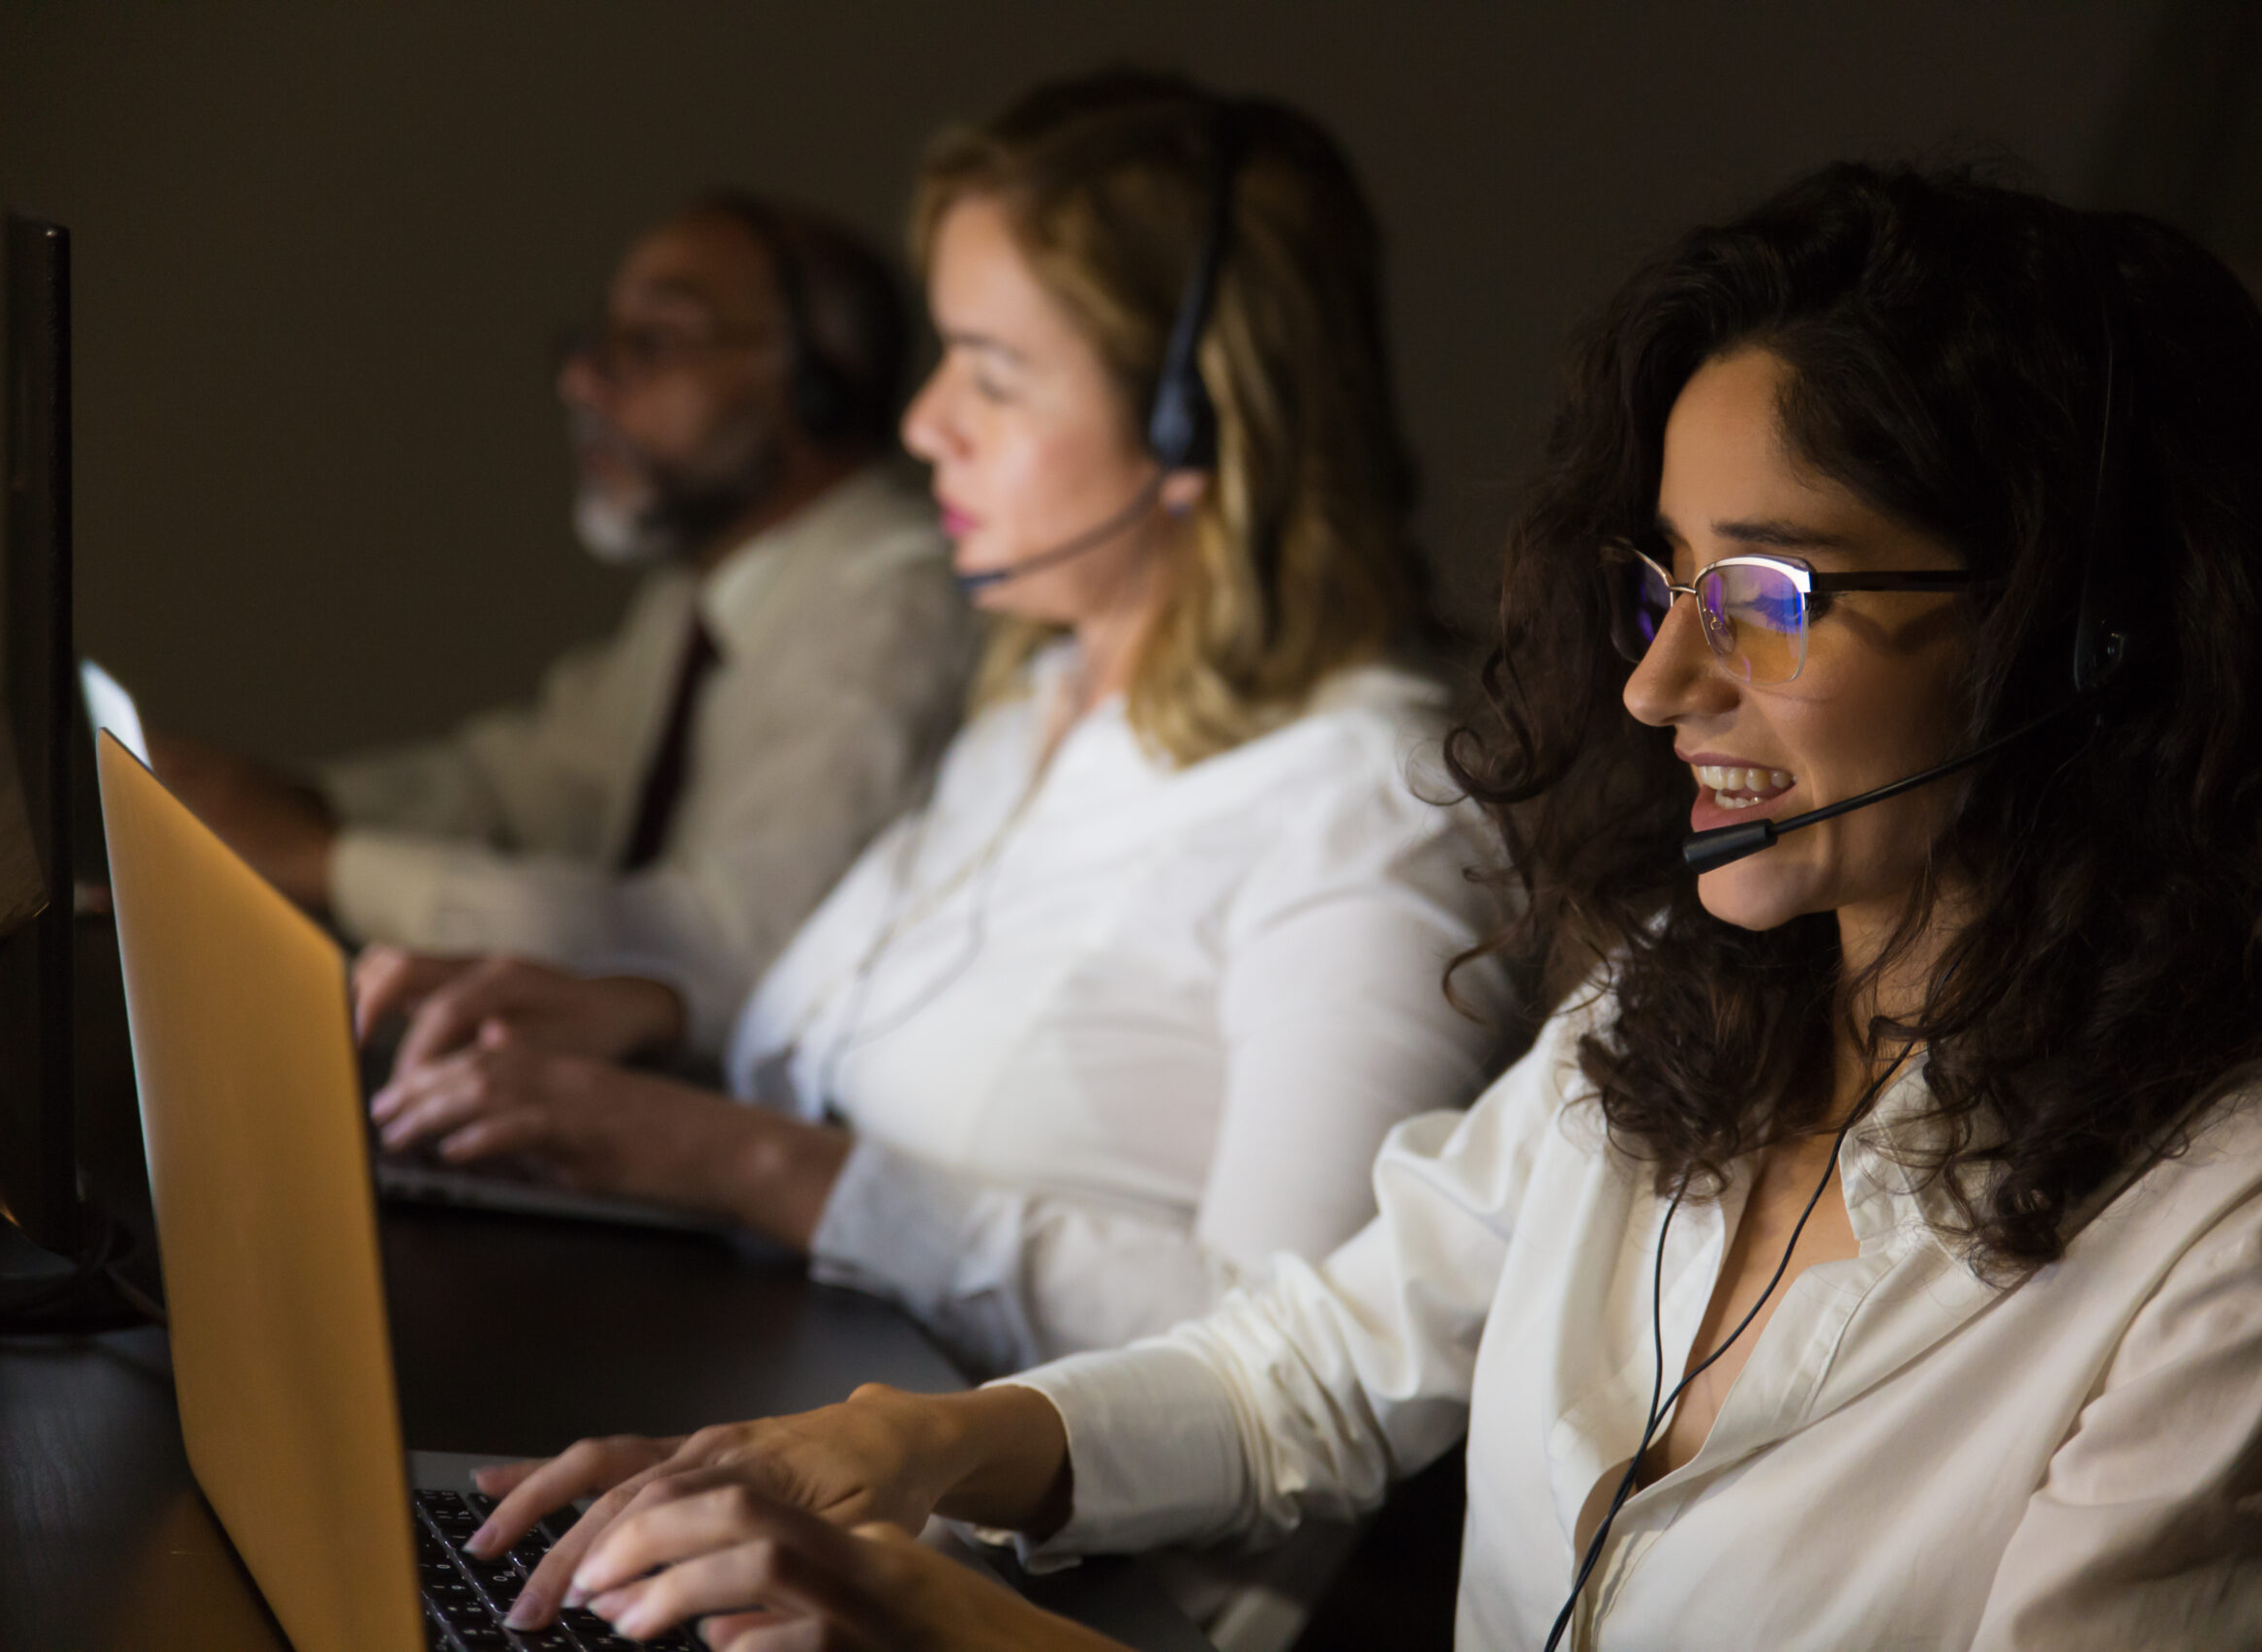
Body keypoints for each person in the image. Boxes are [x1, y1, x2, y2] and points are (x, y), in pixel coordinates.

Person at [458, 165, 2262, 1651]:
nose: (1656, 689)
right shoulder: (1690, 1004)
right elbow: (1303, 1363)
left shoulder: (2255, 1216)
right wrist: (892, 1450)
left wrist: (945, 1619)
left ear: (2082, 648)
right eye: (1663, 586)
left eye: (1775, 596)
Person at [357, 71, 1512, 1399]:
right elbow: (871, 1078)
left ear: (1195, 419)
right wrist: (645, 1020)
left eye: (994, 375)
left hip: (1045, 1587)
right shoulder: (1038, 707)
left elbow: (1307, 1367)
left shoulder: (1371, 805)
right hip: (788, 1448)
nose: (920, 424)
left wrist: (756, 1163)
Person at [154, 196, 978, 1044]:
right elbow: (528, 785)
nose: (582, 380)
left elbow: (715, 949)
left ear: (819, 384)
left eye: (652, 343)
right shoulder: (698, 600)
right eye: (596, 343)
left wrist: (325, 861)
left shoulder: (894, 607)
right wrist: (265, 806)